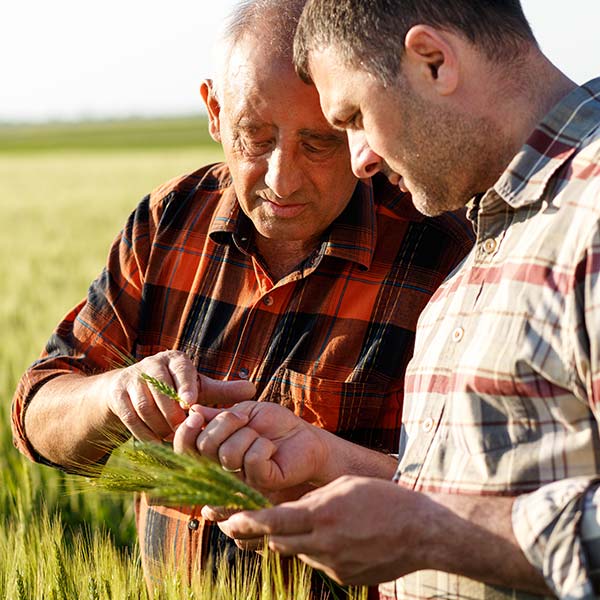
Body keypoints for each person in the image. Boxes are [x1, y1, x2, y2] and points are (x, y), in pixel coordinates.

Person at [10, 0, 473, 590]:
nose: (282, 179)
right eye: (254, 135)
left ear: (358, 128)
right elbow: (36, 418)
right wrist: (115, 395)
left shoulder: (439, 254)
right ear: (213, 111)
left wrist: (320, 467)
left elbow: (482, 499)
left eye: (318, 143)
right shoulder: (168, 221)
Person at [198, 1, 600, 598]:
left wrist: (429, 535)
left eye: (355, 116)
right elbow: (488, 499)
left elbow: (442, 530)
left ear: (432, 62)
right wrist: (326, 465)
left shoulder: (589, 215)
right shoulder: (486, 239)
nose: (360, 160)